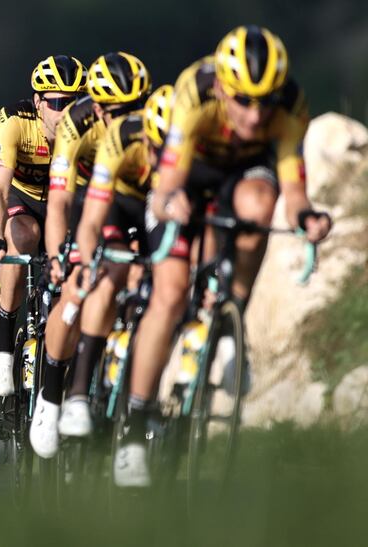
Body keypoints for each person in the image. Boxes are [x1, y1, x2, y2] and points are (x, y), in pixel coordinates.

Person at [115, 26, 332, 487]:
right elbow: (166, 186)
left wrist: (308, 217)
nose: (255, 116)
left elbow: (293, 190)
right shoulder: (194, 93)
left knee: (259, 205)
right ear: (220, 89)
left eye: (265, 101)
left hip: (243, 175)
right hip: (189, 175)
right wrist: (170, 204)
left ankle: (232, 315)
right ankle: (134, 428)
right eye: (243, 101)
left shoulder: (290, 106)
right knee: (170, 296)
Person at [28, 52, 153, 457]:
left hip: (134, 195)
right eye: (119, 112)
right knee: (75, 290)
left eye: (137, 107)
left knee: (137, 277)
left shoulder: (151, 121)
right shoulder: (75, 124)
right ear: (98, 109)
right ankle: (50, 393)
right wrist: (58, 258)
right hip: (86, 199)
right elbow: (60, 202)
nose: (129, 118)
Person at [0, 55, 87, 397]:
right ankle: (2, 347)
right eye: (58, 103)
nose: (67, 111)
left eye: (75, 102)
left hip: (63, 201)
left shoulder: (86, 126)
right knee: (25, 234)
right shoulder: (14, 121)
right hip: (22, 198)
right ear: (39, 102)